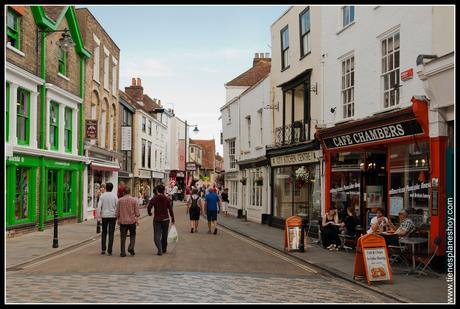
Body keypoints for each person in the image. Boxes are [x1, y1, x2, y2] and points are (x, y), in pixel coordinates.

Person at [148, 184, 175, 256]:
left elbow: (149, 207)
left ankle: (159, 249)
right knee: (164, 235)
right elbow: (170, 209)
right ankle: (164, 248)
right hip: (166, 219)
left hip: (157, 219)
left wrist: (149, 213)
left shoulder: (154, 198)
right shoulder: (167, 199)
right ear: (164, 191)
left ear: (157, 190)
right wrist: (173, 218)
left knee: (156, 236)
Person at [115, 186, 139, 257]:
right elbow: (137, 213)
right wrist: (136, 218)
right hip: (132, 221)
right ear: (130, 192)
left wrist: (118, 218)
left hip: (123, 221)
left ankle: (123, 252)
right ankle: (131, 247)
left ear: (123, 192)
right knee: (133, 235)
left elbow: (117, 212)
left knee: (123, 237)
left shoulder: (120, 200)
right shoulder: (134, 200)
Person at [97, 182, 118, 255]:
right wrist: (117, 215)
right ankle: (110, 250)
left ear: (106, 188)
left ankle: (103, 249)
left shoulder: (102, 196)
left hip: (104, 216)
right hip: (112, 216)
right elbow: (117, 206)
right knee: (111, 233)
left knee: (104, 232)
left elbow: (99, 207)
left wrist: (98, 218)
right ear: (112, 188)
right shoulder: (114, 196)